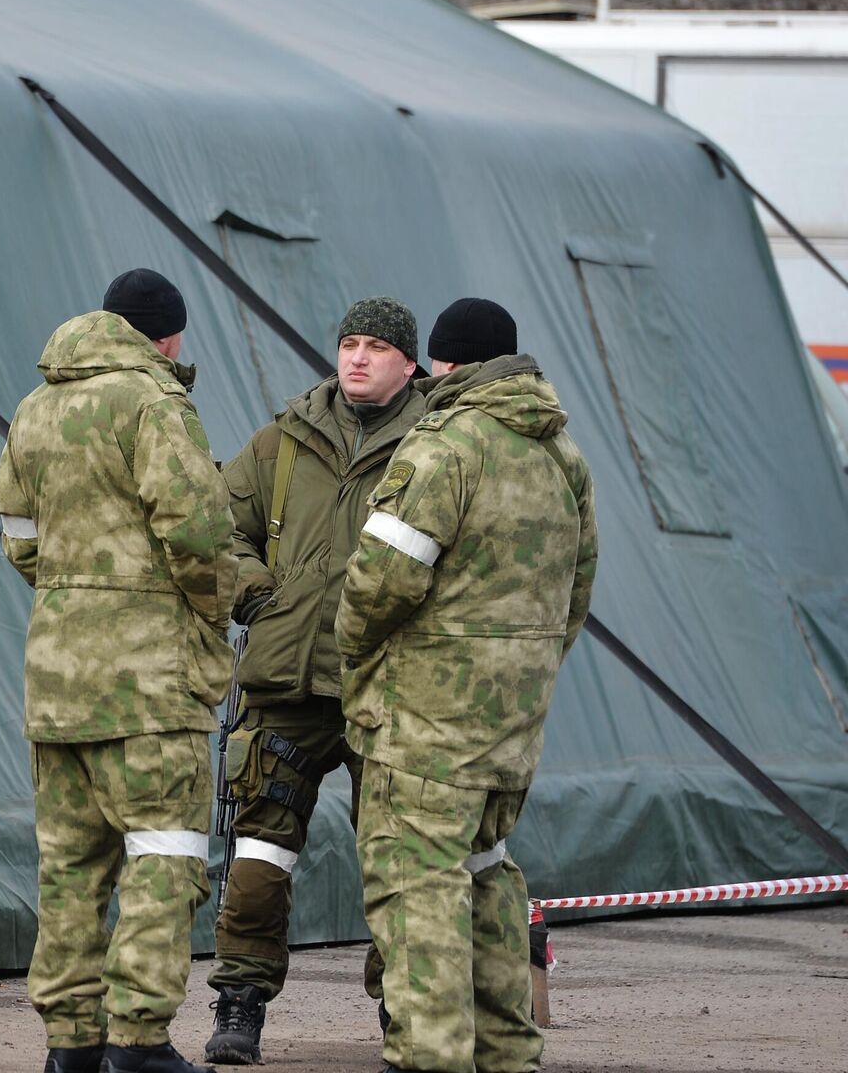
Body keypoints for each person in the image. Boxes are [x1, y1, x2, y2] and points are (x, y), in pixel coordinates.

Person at [337, 298, 597, 1073]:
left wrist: (355, 655)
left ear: (442, 365)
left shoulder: (443, 449)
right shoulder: (562, 457)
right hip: (513, 722)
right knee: (486, 873)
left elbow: (379, 584)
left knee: (417, 888)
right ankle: (508, 1049)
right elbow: (576, 594)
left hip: (425, 720)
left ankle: (431, 1055)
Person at [0, 269, 237, 1073]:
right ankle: (140, 1042)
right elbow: (199, 533)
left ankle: (71, 1043)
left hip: (57, 678)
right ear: (166, 338)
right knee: (164, 856)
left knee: (69, 868)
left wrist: (79, 594)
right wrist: (211, 606)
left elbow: (20, 538)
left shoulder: (35, 408)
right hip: (149, 681)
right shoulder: (153, 402)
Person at [204, 297, 428, 1065]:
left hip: (390, 686)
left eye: (376, 347)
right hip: (286, 679)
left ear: (409, 362)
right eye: (349, 344)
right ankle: (238, 1004)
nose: (358, 358)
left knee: (401, 865)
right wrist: (258, 595)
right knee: (259, 859)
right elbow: (215, 527)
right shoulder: (284, 442)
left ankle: (408, 1017)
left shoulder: (437, 443)